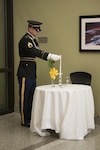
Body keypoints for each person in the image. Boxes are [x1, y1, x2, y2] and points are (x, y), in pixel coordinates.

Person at [17, 20, 60, 127]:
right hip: (25, 73)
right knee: (25, 97)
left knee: (31, 96)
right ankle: (24, 120)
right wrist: (49, 56)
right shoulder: (26, 40)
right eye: (36, 30)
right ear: (30, 28)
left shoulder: (33, 40)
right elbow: (35, 52)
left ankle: (30, 118)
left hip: (31, 72)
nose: (38, 32)